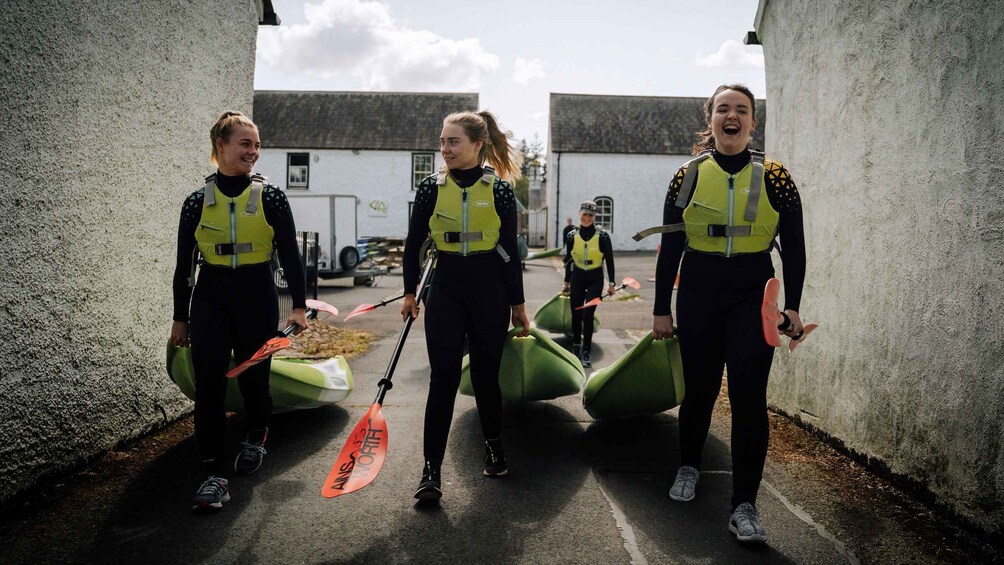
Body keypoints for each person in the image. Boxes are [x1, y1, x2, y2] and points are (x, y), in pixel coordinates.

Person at [650, 84, 806, 543]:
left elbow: (795, 250)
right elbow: (670, 247)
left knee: (748, 398)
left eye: (741, 110)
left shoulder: (776, 176)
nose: (731, 116)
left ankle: (744, 506)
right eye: (723, 109)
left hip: (752, 294)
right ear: (711, 119)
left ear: (752, 123)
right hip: (698, 289)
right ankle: (688, 466)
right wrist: (661, 309)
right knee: (698, 391)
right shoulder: (687, 175)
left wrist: (792, 305)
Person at [170, 111, 309, 512]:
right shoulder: (197, 202)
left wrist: (298, 308)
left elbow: (291, 257)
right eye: (245, 143)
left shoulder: (271, 197)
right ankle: (213, 474)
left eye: (257, 144)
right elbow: (183, 267)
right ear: (221, 146)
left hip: (256, 295)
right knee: (208, 387)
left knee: (254, 378)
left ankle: (256, 435)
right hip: (211, 298)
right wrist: (181, 317)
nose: (254, 151)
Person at [401, 110, 530, 502]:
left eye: (453, 141)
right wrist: (410, 294)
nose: (445, 149)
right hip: (445, 288)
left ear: (478, 145)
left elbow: (510, 251)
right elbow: (412, 245)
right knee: (442, 379)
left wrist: (517, 305)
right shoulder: (430, 188)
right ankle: (431, 471)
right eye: (442, 141)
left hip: (488, 289)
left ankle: (493, 447)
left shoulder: (500, 190)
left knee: (487, 377)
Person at [561, 201, 615, 368]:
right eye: (584, 214)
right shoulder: (571, 235)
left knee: (587, 315)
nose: (587, 218)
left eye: (590, 215)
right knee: (576, 314)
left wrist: (611, 283)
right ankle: (576, 346)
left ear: (595, 216)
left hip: (595, 279)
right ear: (579, 214)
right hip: (577, 277)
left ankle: (586, 350)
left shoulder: (603, 236)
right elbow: (569, 260)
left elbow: (610, 260)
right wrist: (566, 282)